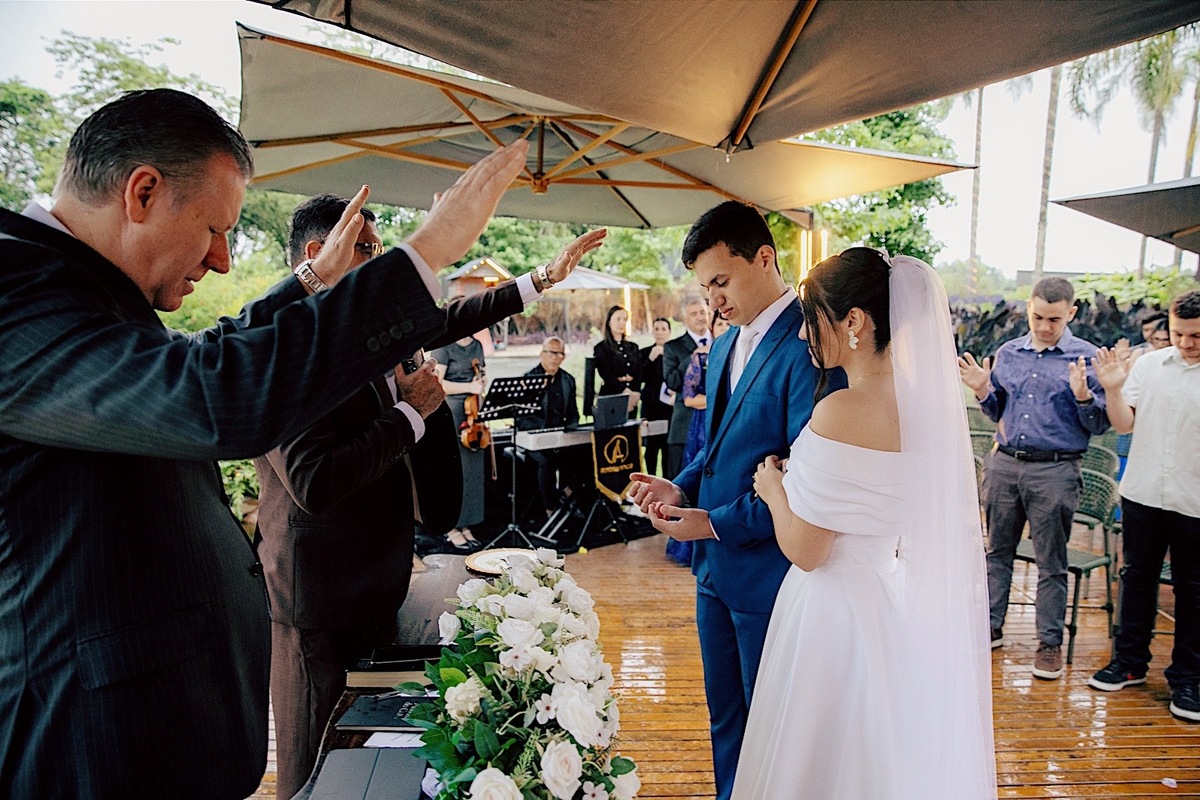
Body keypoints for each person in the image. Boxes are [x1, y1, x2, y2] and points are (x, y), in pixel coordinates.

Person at [0, 88, 530, 797]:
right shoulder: (16, 288)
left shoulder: (80, 290)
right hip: (94, 747)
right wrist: (425, 251)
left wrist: (312, 281)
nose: (222, 260)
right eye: (214, 228)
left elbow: (199, 353)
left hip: (158, 728)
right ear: (142, 192)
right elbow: (211, 393)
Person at [254, 196, 605, 798]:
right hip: (319, 596)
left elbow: (447, 319)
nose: (380, 263)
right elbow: (314, 480)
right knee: (313, 769)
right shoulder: (284, 345)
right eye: (367, 250)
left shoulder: (361, 326)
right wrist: (410, 413)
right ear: (319, 253)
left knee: (365, 760)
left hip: (375, 578)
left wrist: (542, 277)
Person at [733, 248, 996, 799]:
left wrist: (774, 489)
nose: (803, 334)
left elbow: (807, 550)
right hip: (886, 599)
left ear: (853, 321)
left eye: (812, 319)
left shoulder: (842, 411)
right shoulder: (924, 408)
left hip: (831, 612)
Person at [628, 201, 834, 800]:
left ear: (764, 258)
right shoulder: (721, 347)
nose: (713, 300)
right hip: (712, 573)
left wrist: (711, 523)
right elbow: (716, 449)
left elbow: (803, 482)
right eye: (704, 287)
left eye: (721, 281)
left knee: (771, 724)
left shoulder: (810, 345)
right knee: (724, 718)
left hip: (767, 574)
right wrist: (679, 486)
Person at [958, 276, 1109, 680]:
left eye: (1054, 319)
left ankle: (1049, 642)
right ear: (1029, 308)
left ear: (1071, 313)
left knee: (1051, 561)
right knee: (997, 551)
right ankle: (991, 626)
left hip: (1056, 470)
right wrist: (982, 391)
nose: (1044, 326)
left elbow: (1099, 424)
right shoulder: (1009, 352)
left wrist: (1083, 397)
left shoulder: (1086, 358)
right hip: (1005, 464)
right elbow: (997, 410)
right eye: (1038, 316)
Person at [1087, 290, 1200, 723]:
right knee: (1136, 578)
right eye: (1179, 333)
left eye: (1196, 335)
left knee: (1193, 591)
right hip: (1144, 492)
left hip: (1194, 500)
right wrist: (1113, 389)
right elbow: (1123, 424)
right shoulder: (1150, 366)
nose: (1186, 343)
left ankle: (1188, 679)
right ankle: (1129, 662)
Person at [515, 336, 587, 519]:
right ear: (542, 354)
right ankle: (550, 509)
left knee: (585, 453)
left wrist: (570, 431)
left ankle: (567, 495)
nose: (556, 357)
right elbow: (522, 419)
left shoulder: (568, 380)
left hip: (560, 437)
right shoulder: (528, 379)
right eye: (552, 353)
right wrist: (544, 431)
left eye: (560, 354)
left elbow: (573, 414)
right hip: (535, 439)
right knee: (546, 462)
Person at [430, 335, 490, 549]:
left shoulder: (477, 345)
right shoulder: (443, 346)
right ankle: (450, 526)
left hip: (474, 411)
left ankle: (466, 524)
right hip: (452, 411)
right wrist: (469, 387)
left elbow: (482, 373)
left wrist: (481, 383)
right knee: (455, 472)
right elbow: (438, 383)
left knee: (472, 473)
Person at [663, 296, 711, 478]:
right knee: (679, 481)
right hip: (685, 427)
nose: (700, 317)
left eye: (702, 312)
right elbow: (672, 382)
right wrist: (693, 358)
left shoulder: (722, 341)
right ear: (685, 318)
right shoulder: (673, 347)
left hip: (715, 425)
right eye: (694, 314)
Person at [683, 310, 732, 464]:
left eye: (728, 324)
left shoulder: (741, 355)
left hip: (732, 421)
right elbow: (689, 399)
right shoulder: (701, 356)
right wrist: (725, 401)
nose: (724, 328)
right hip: (706, 422)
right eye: (720, 324)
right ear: (712, 327)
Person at [639, 316, 674, 475]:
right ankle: (650, 480)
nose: (660, 332)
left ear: (669, 332)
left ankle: (667, 481)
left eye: (663, 329)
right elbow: (639, 378)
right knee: (651, 449)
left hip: (669, 407)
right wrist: (650, 359)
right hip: (651, 407)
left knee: (668, 449)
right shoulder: (644, 352)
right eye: (656, 329)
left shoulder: (673, 352)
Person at [593, 304, 642, 413]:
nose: (622, 323)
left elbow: (639, 371)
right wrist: (623, 389)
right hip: (611, 397)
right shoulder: (602, 348)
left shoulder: (633, 347)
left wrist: (635, 391)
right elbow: (606, 373)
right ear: (609, 322)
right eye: (618, 319)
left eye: (625, 319)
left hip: (632, 397)